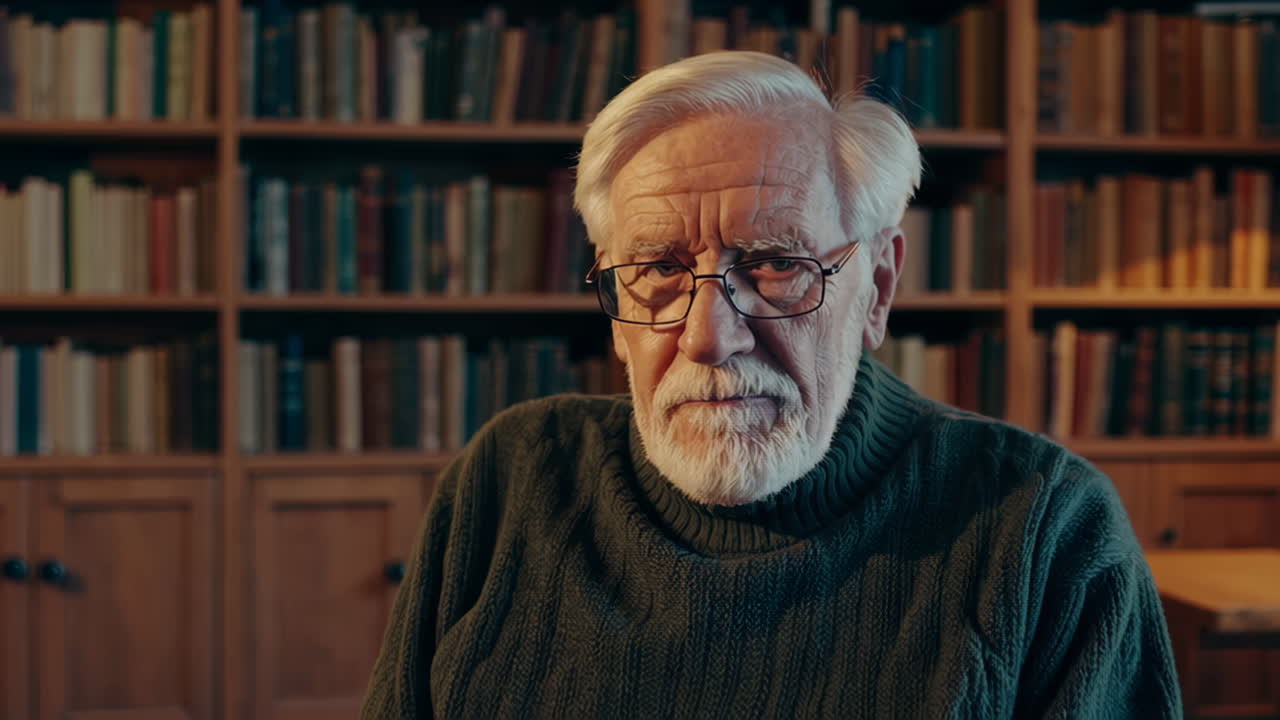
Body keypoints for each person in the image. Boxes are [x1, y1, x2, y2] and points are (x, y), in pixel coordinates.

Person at [361, 51, 1181, 719]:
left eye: (778, 264)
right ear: (612, 305)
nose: (709, 337)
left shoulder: (1043, 527)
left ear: (879, 287)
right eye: (656, 270)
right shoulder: (510, 479)